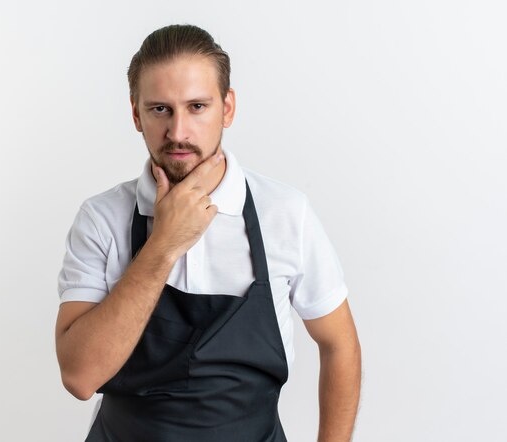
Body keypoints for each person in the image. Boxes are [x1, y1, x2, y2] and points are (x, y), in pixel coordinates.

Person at [56, 24, 361, 442]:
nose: (178, 132)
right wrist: (163, 246)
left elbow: (340, 346)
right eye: (160, 109)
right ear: (135, 114)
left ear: (228, 108)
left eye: (197, 106)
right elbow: (79, 376)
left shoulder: (285, 213)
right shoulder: (101, 218)